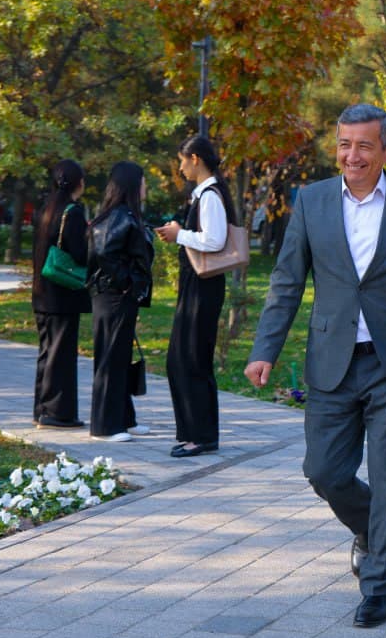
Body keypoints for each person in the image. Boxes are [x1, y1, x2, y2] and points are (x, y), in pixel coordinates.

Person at [245, 104, 386, 630]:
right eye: (344, 145)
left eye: (364, 146)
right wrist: (265, 349)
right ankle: (372, 531)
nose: (352, 156)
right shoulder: (311, 202)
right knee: (324, 471)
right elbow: (287, 281)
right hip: (331, 361)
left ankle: (379, 586)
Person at [155, 135, 239, 458]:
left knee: (191, 358)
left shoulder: (210, 195)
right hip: (197, 287)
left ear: (195, 159)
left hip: (203, 289)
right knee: (183, 358)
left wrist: (180, 235)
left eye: (181, 160)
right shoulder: (204, 195)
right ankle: (194, 432)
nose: (179, 168)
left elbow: (215, 240)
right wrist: (181, 232)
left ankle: (201, 436)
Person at [87, 161, 155, 442]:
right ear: (131, 184)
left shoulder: (122, 214)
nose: (145, 186)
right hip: (113, 296)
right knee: (110, 358)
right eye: (142, 180)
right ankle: (103, 426)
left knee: (119, 357)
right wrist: (127, 282)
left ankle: (124, 419)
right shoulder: (118, 216)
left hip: (118, 297)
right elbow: (105, 252)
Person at [31, 159, 90, 429]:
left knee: (46, 351)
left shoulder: (45, 208)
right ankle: (57, 412)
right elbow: (78, 253)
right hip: (63, 292)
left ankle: (41, 409)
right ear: (79, 183)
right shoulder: (72, 212)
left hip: (42, 291)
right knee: (61, 354)